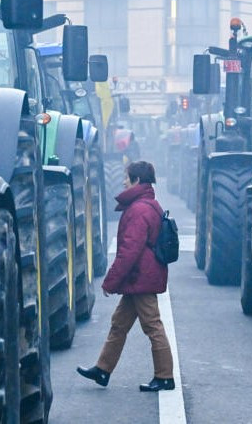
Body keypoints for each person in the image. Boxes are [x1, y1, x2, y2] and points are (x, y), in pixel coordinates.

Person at [76, 161, 175, 392]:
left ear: (137, 181)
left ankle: (165, 377)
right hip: (140, 277)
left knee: (152, 326)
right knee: (119, 324)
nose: (123, 181)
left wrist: (111, 281)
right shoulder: (147, 204)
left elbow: (130, 251)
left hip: (141, 277)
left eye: (126, 177)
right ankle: (102, 370)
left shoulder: (139, 209)